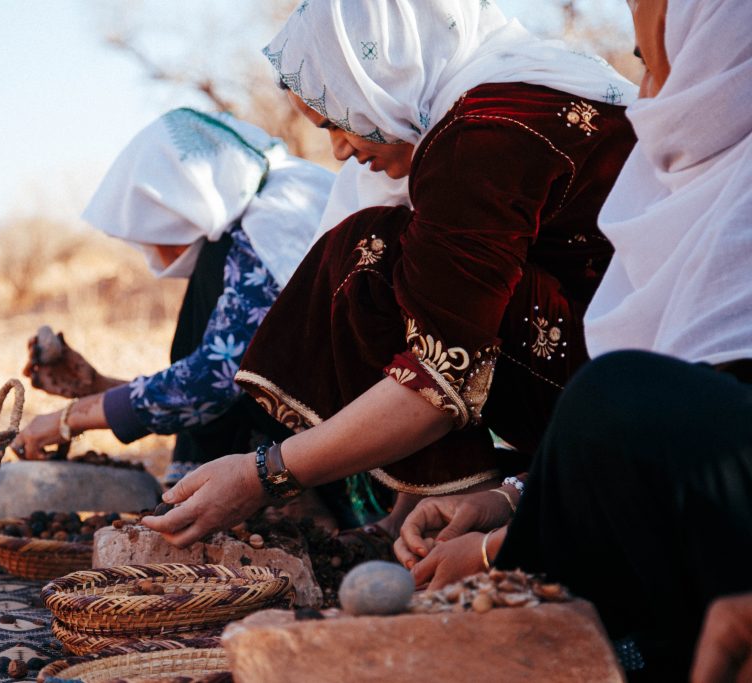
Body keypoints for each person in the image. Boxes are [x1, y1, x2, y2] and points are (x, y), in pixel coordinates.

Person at [142, 0, 637, 548]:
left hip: (620, 392)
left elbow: (439, 374)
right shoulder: (525, 84)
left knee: (369, 254)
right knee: (401, 253)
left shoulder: (481, 135)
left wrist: (265, 474)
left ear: (386, 73)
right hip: (620, 365)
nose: (339, 149)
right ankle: (433, 503)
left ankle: (468, 498)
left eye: (339, 119)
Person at [396, 0, 752, 678]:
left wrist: (495, 551)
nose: (646, 97)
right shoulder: (699, 184)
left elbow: (679, 420)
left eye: (653, 63)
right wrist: (507, 498)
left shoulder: (487, 133)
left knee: (615, 395)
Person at [10, 108, 334, 487]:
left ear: (181, 201)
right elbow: (225, 379)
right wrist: (96, 385)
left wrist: (69, 419)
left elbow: (216, 381)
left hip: (341, 459)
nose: (150, 246)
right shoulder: (278, 200)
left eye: (152, 222)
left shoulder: (266, 228)